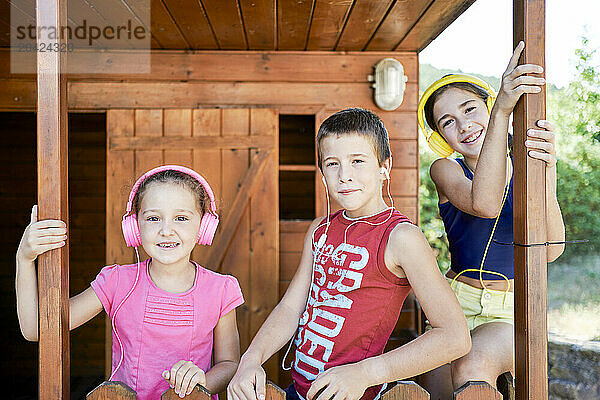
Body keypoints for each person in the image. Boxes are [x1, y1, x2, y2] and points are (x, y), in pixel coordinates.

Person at [227, 108, 471, 400]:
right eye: (332, 163)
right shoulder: (321, 229)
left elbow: (455, 337)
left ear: (384, 168)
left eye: (357, 161)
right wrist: (251, 359)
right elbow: (291, 308)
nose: (344, 175)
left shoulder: (400, 237)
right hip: (300, 392)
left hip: (355, 394)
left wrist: (367, 373)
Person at [16, 165, 244, 399]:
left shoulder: (222, 290)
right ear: (134, 227)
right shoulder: (116, 282)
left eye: (181, 218)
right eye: (153, 218)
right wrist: (23, 259)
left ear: (203, 226)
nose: (166, 230)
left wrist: (203, 380)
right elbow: (35, 330)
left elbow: (229, 363)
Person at [418, 42, 565, 398]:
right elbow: (485, 204)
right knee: (432, 388)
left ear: (485, 106)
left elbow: (552, 249)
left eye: (471, 109)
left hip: (510, 308)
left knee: (471, 367)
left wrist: (548, 170)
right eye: (448, 122)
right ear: (442, 138)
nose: (464, 125)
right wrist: (501, 112)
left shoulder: (529, 160)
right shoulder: (445, 169)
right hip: (454, 303)